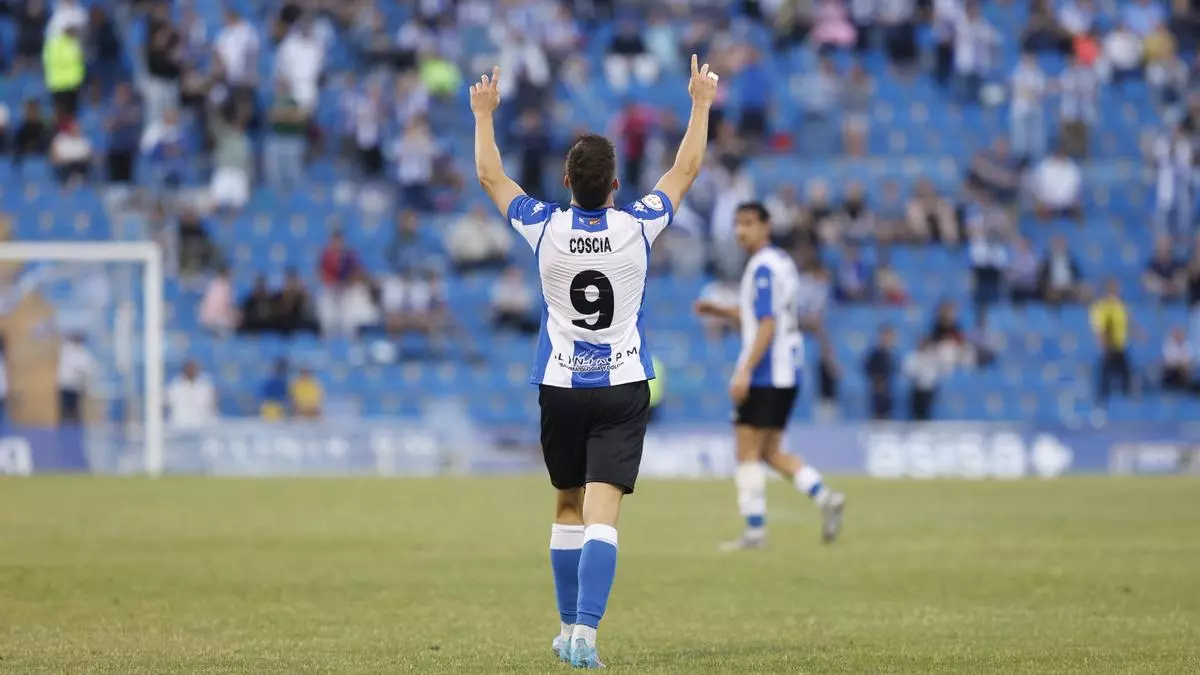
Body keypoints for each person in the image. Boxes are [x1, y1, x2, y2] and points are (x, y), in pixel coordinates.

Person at [471, 56, 716, 668]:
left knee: (567, 506)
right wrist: (701, 104)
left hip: (560, 385)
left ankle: (564, 629)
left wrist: (483, 115)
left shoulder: (544, 227)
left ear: (565, 181)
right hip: (623, 384)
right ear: (615, 185)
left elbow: (490, 175)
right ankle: (585, 634)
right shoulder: (637, 226)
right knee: (604, 513)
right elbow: (686, 169)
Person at [693, 202, 846, 553]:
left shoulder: (761, 267)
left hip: (766, 372)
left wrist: (745, 370)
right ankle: (825, 497)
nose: (740, 230)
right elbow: (759, 314)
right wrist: (719, 310)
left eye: (748, 223)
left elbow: (767, 323)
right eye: (737, 223)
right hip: (788, 370)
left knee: (746, 449)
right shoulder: (782, 263)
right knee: (771, 452)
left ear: (767, 225)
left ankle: (755, 530)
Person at [165, 360, 218, 429]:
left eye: (193, 368)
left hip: (202, 427)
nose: (191, 371)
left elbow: (212, 408)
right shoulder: (174, 387)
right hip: (178, 426)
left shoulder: (206, 386)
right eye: (189, 368)